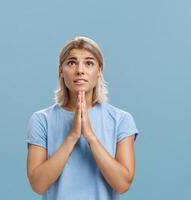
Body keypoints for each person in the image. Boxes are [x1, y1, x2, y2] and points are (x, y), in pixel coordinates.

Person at [26, 36, 139, 200]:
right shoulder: (41, 120)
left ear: (99, 70)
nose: (80, 70)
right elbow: (38, 185)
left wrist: (90, 137)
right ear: (61, 71)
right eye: (71, 62)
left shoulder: (121, 120)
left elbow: (122, 184)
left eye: (89, 63)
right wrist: (72, 136)